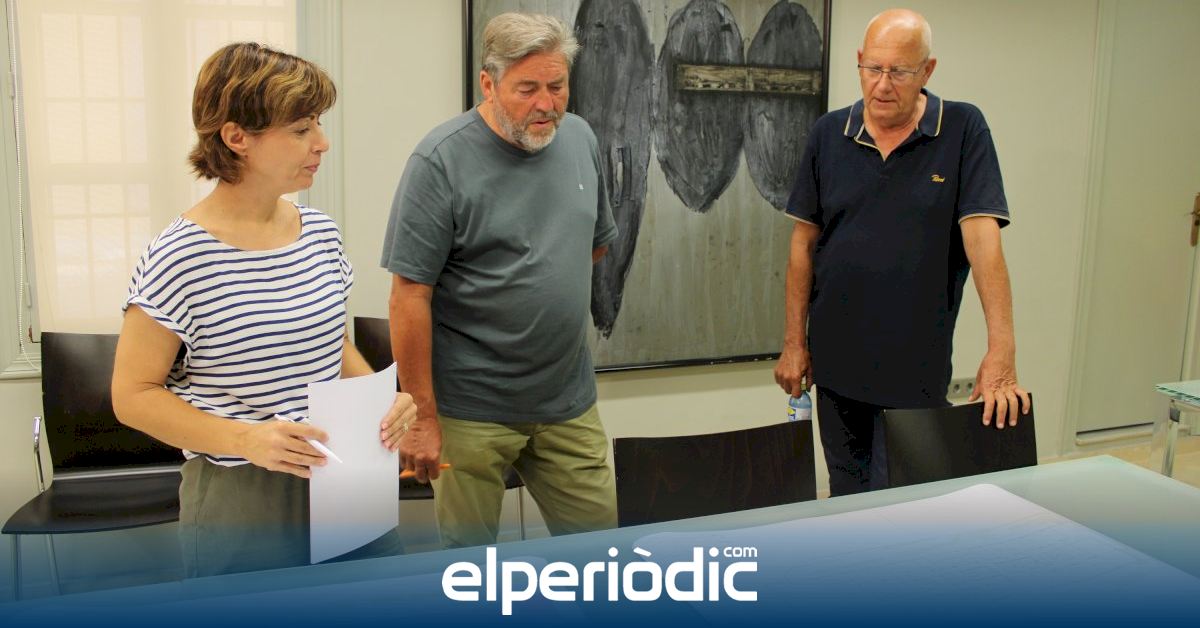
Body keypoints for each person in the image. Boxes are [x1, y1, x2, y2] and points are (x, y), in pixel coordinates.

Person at [111, 42, 416, 576]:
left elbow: (333, 344)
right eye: (300, 129)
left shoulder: (319, 232)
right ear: (237, 138)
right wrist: (245, 439)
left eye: (317, 124)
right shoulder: (179, 256)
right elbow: (132, 396)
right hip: (243, 493)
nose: (321, 142)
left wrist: (379, 403)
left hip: (344, 473)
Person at [381, 12, 618, 548]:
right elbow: (408, 296)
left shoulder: (579, 138)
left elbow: (595, 243)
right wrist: (422, 417)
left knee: (603, 557)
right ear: (488, 85)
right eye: (527, 89)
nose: (546, 104)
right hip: (471, 411)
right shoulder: (439, 161)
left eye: (557, 86)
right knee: (470, 570)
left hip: (567, 401)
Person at [774, 9, 1031, 496]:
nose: (882, 84)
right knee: (848, 501)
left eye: (899, 71)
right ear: (859, 61)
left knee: (908, 505)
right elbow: (803, 245)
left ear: (927, 70)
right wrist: (793, 343)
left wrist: (1002, 349)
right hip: (836, 369)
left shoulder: (962, 129)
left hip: (916, 373)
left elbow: (983, 242)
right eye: (873, 68)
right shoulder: (828, 134)